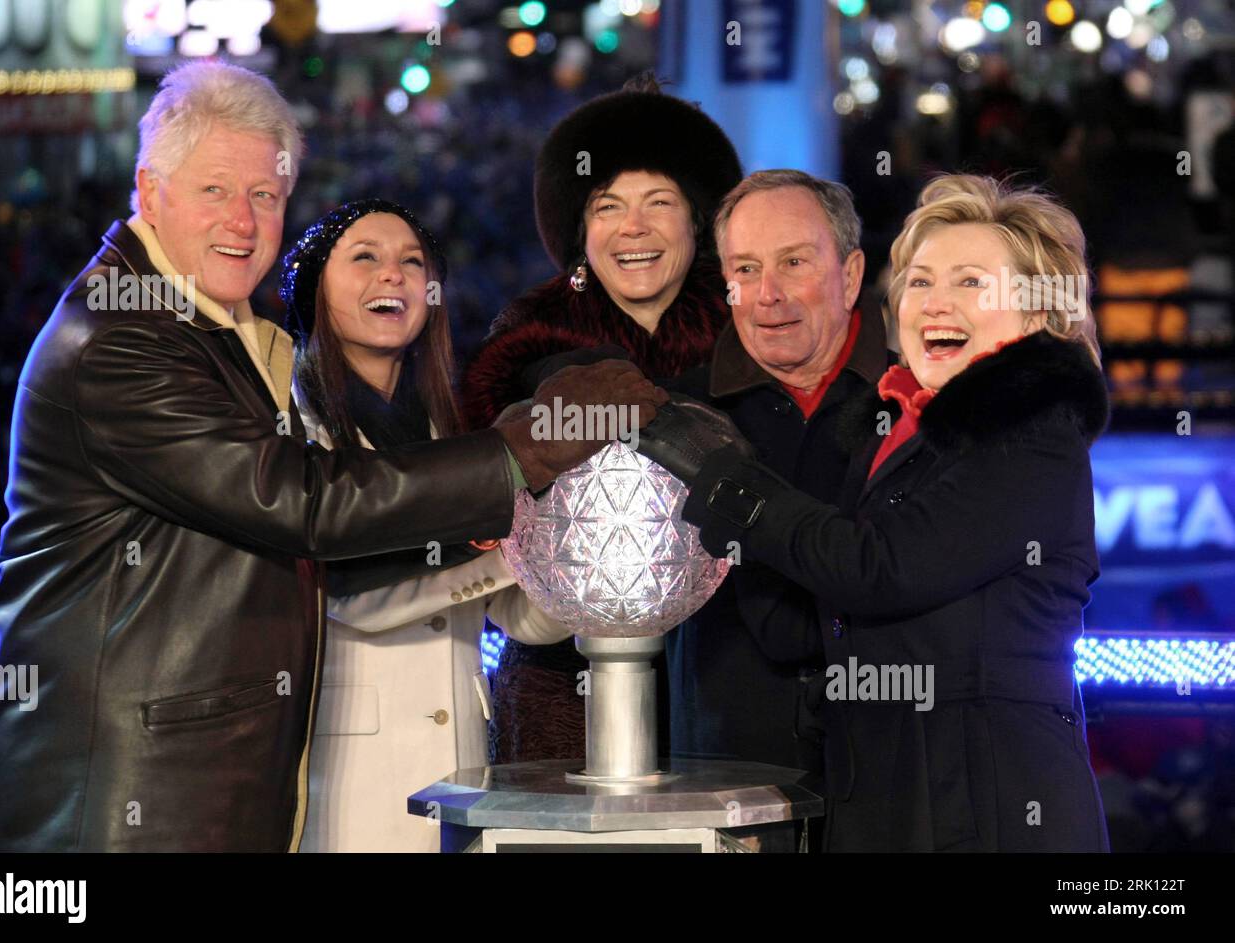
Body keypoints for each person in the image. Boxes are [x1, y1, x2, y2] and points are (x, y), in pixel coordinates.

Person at [0, 62, 664, 851]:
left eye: (264, 196)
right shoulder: (124, 339)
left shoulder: (218, 336)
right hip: (128, 802)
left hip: (204, 788)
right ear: (149, 189)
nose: (243, 219)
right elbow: (306, 505)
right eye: (214, 191)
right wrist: (522, 452)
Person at [643, 175, 1111, 851]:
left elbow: (882, 567)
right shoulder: (896, 436)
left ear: (1037, 313)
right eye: (921, 282)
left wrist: (730, 484)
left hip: (990, 811)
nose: (936, 304)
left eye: (971, 282)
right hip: (880, 802)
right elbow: (805, 617)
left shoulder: (1033, 431)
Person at [461, 72, 742, 764]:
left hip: (732, 665)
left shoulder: (751, 333)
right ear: (579, 231)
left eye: (659, 202)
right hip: (563, 680)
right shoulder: (523, 344)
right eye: (607, 206)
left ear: (697, 219)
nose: (633, 228)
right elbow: (482, 516)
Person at [280, 199, 574, 851]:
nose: (395, 275)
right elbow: (347, 593)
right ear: (314, 287)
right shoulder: (289, 430)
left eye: (413, 262)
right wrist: (504, 537)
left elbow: (519, 618)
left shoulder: (448, 427)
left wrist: (575, 555)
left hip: (462, 769)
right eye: (365, 258)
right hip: (349, 779)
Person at [664, 170, 891, 774]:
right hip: (722, 778)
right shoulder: (675, 418)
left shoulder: (919, 403)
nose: (768, 294)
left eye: (794, 263)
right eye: (745, 269)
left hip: (893, 781)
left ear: (850, 276)